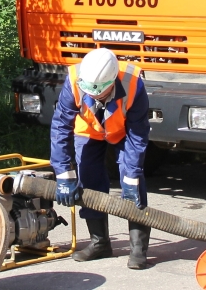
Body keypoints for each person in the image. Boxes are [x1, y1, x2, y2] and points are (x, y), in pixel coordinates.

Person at [50, 48, 152, 269]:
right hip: (88, 131)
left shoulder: (134, 84)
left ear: (113, 80)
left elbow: (138, 134)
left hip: (124, 132)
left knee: (132, 182)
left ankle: (138, 249)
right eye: (91, 90)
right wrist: (64, 174)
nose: (95, 95)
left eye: (101, 91)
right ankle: (100, 243)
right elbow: (61, 127)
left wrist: (132, 175)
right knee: (88, 178)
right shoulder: (75, 78)